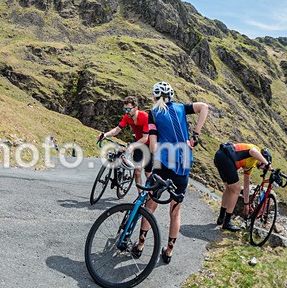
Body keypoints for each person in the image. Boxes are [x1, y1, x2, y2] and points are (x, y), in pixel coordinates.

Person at [133, 81, 208, 264]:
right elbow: (204, 107)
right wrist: (195, 135)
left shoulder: (153, 114)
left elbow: (152, 146)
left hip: (163, 164)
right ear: (171, 96)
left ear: (154, 97)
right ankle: (168, 252)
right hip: (183, 165)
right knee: (175, 212)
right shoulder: (182, 108)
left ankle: (140, 245)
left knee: (150, 205)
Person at [213, 142, 272, 231]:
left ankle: (221, 217)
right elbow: (252, 151)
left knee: (229, 189)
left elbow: (246, 185)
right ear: (263, 157)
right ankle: (227, 222)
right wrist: (268, 164)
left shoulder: (250, 164)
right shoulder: (256, 150)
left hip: (220, 156)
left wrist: (246, 204)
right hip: (226, 157)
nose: (262, 168)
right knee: (236, 190)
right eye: (263, 166)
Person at [97, 95, 151, 186]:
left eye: (129, 109)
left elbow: (145, 138)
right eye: (125, 109)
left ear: (136, 108)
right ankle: (140, 196)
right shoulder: (127, 117)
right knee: (137, 171)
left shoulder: (145, 117)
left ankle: (150, 195)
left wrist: (133, 146)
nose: (126, 112)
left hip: (149, 144)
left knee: (147, 173)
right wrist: (105, 135)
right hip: (138, 141)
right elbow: (117, 130)